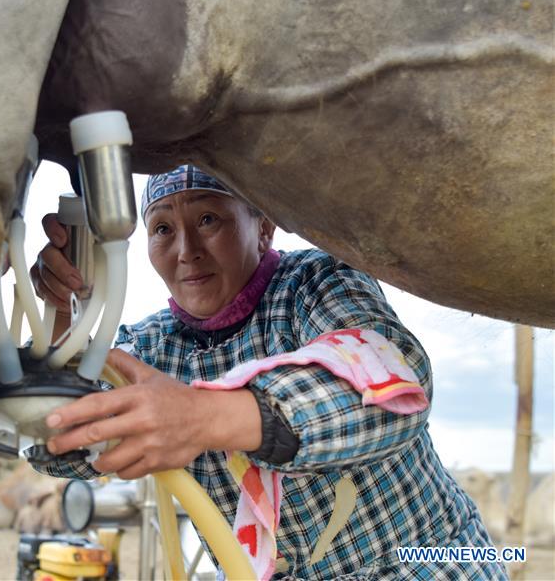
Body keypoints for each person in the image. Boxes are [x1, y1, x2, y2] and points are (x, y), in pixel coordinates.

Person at [29, 164, 503, 580]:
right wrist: (64, 327)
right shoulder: (150, 349)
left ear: (263, 226)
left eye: (208, 219)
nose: (186, 250)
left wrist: (201, 416)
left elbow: (394, 382)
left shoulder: (316, 283)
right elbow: (55, 448)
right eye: (162, 229)